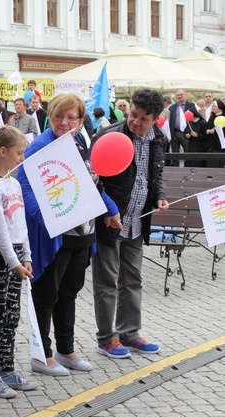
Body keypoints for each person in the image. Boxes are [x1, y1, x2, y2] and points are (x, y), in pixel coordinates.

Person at [18, 94, 121, 377]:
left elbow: (93, 183)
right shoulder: (40, 146)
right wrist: (45, 217)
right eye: (59, 116)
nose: (65, 122)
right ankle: (42, 355)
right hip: (55, 233)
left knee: (69, 291)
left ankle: (66, 348)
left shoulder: (80, 140)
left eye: (71, 117)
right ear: (50, 116)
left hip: (83, 230)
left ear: (80, 119)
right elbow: (24, 185)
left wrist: (111, 209)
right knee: (46, 293)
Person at [92, 88, 168, 359]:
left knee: (132, 280)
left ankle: (130, 333)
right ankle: (106, 338)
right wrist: (108, 210)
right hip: (111, 221)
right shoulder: (109, 134)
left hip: (138, 219)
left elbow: (156, 174)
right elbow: (93, 180)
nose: (135, 121)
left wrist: (159, 197)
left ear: (155, 119)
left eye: (143, 118)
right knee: (107, 282)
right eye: (133, 115)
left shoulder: (158, 139)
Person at [0, 126, 34, 398]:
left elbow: (20, 224)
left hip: (15, 258)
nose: (22, 157)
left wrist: (27, 256)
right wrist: (14, 262)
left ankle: (8, 369)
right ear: (3, 152)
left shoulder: (13, 183)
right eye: (19, 152)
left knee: (12, 317)